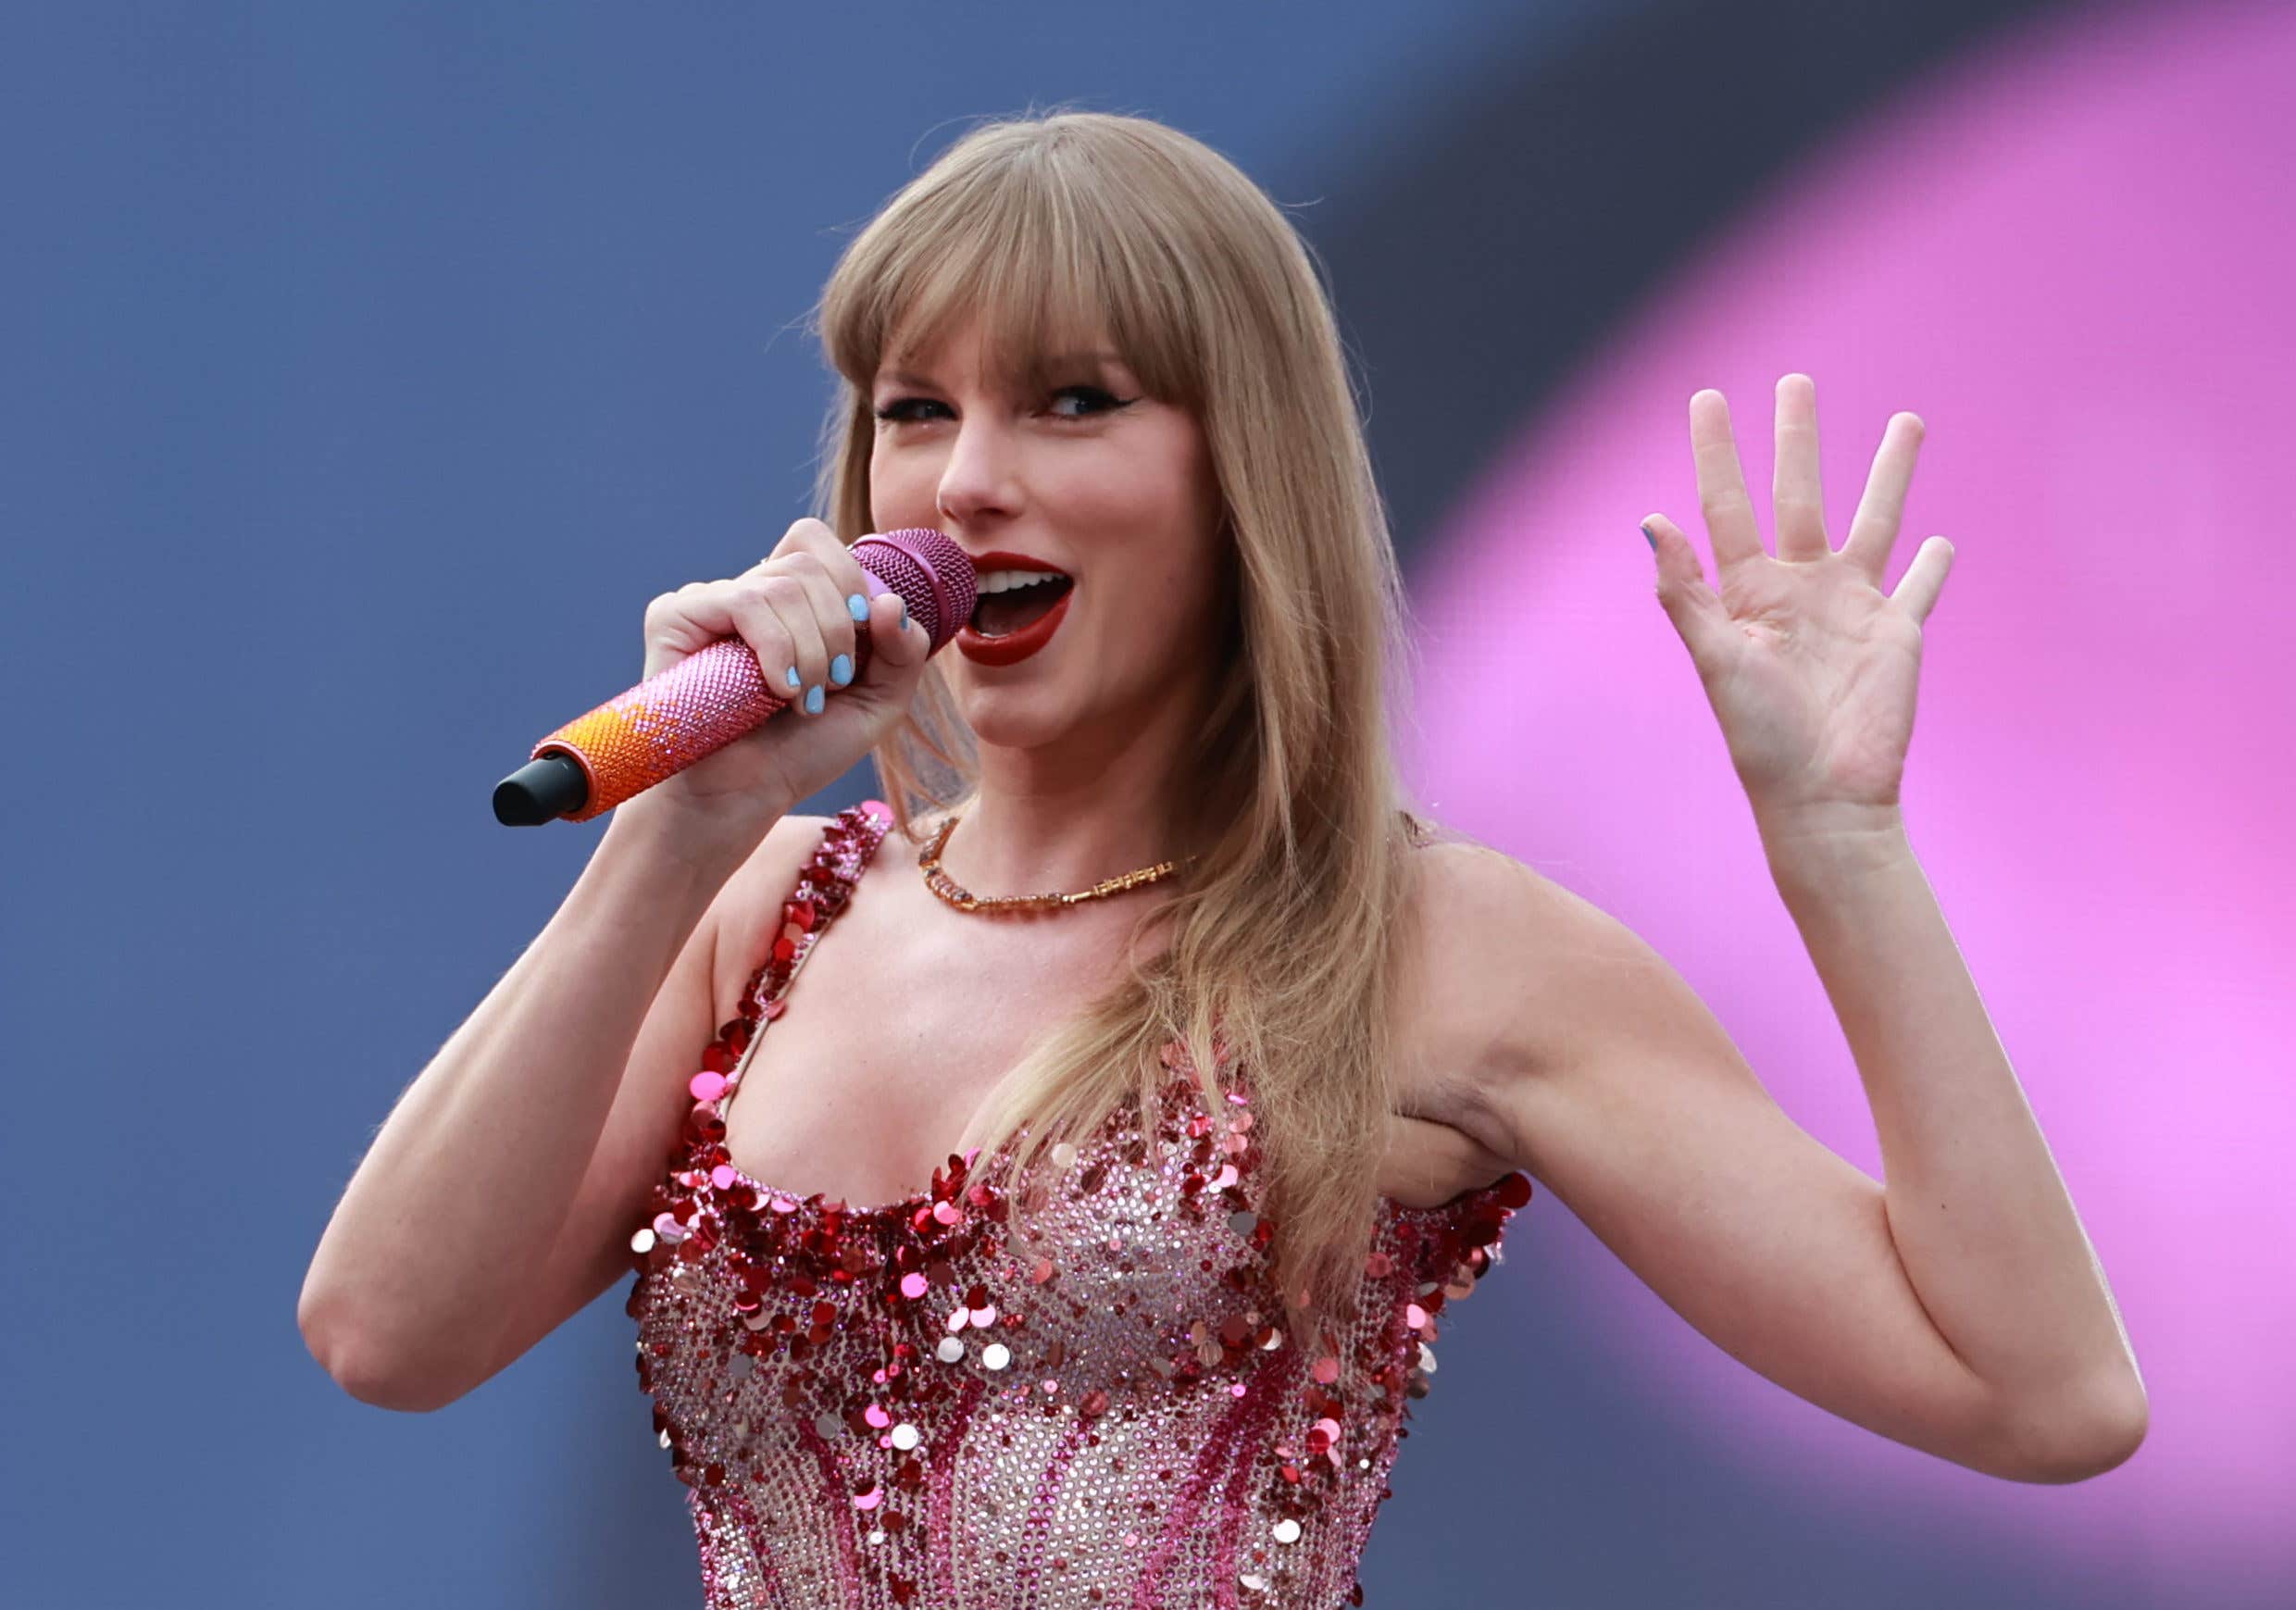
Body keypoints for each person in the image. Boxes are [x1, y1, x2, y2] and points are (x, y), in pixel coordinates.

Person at [301, 109, 2146, 1606]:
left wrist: (1836, 844)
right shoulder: (756, 913)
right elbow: (386, 1331)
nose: (964, 485)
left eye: (1072, 402)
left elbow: (2035, 1393)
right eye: (915, 410)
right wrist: (680, 831)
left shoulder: (1431, 947)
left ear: (1235, 472)